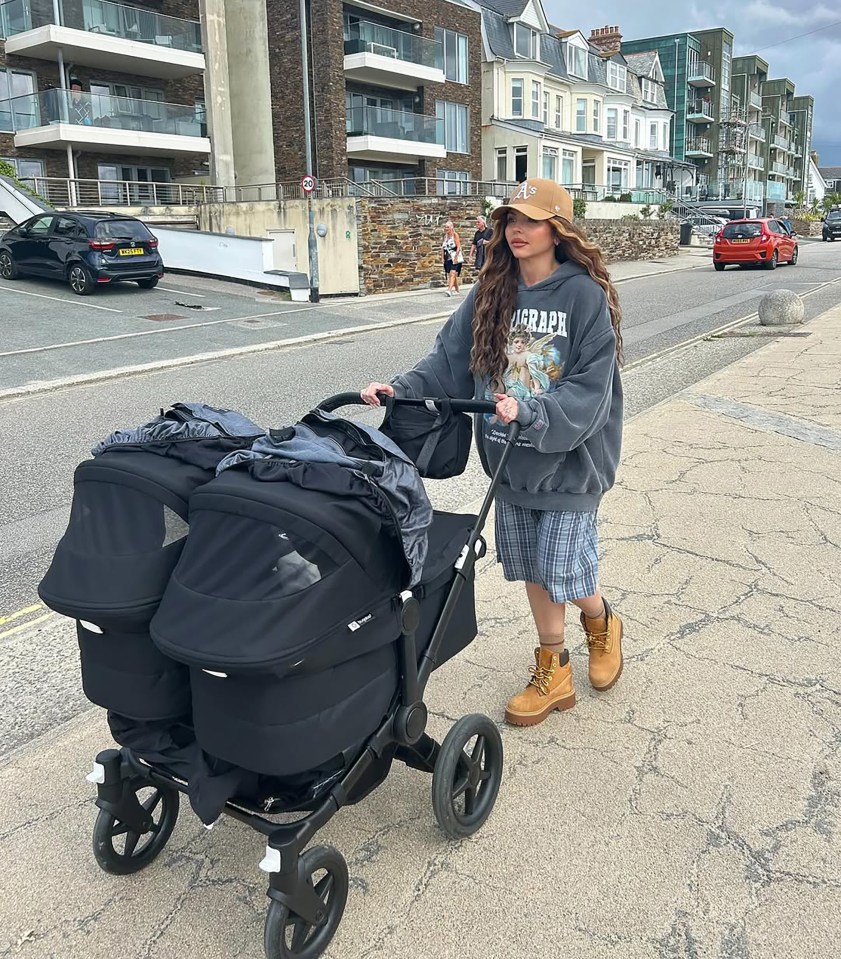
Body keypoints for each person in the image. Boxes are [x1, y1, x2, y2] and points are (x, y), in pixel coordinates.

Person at [362, 178, 624, 727]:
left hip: (569, 462)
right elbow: (448, 359)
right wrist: (400, 389)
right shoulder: (491, 290)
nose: (516, 230)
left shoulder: (583, 296)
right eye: (510, 220)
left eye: (530, 220)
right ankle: (554, 668)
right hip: (509, 459)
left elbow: (591, 386)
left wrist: (534, 411)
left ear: (558, 229)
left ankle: (602, 622)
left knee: (563, 569)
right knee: (532, 564)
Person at [441, 220, 463, 297]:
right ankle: (457, 290)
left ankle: (449, 290)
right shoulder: (445, 236)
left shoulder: (455, 235)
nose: (446, 228)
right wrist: (442, 257)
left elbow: (458, 247)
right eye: (445, 227)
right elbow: (443, 248)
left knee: (452, 273)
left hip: (455, 257)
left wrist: (456, 257)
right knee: (451, 274)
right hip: (448, 258)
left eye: (448, 227)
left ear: (451, 227)